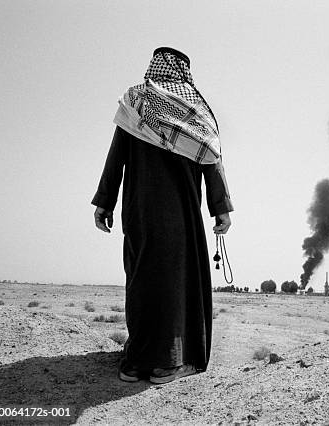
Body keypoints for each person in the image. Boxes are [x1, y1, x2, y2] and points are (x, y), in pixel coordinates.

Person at [92, 47, 233, 384]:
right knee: (175, 285)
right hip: (180, 217)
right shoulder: (195, 113)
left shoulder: (135, 104)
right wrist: (221, 207)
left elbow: (116, 158)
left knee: (141, 280)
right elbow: (213, 161)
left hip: (139, 212)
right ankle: (168, 362)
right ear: (185, 73)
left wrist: (105, 202)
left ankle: (136, 362)